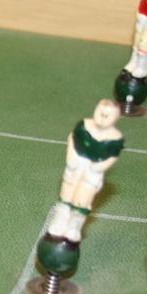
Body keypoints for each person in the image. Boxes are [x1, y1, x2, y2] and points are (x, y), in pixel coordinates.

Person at [48, 99, 124, 241]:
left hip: (93, 171)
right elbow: (72, 138)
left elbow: (113, 156)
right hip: (77, 163)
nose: (102, 117)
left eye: (107, 115)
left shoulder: (115, 138)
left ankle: (74, 227)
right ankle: (60, 221)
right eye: (100, 112)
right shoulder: (83, 126)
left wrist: (100, 167)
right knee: (67, 194)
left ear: (116, 118)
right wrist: (71, 156)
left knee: (81, 200)